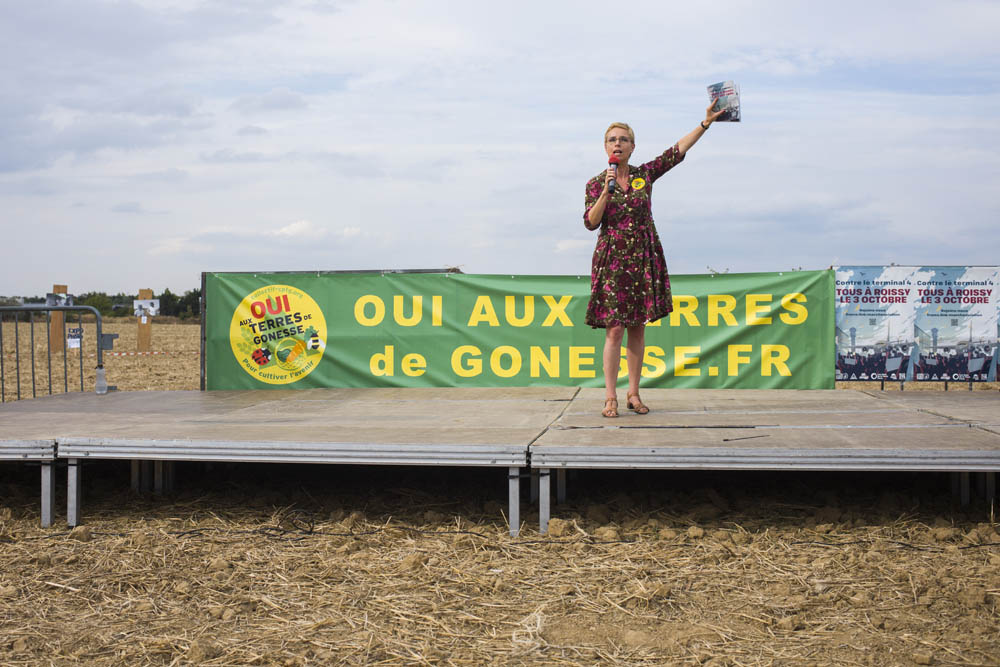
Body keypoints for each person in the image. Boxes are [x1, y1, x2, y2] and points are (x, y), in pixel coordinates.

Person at [583, 103, 724, 417]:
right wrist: (605, 193)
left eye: (623, 139)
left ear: (633, 147)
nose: (617, 144)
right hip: (612, 259)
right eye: (612, 140)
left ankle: (633, 393)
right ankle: (610, 397)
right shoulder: (595, 183)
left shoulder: (644, 174)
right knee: (614, 329)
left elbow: (676, 152)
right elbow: (591, 222)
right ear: (605, 147)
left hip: (643, 255)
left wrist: (705, 123)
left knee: (637, 326)